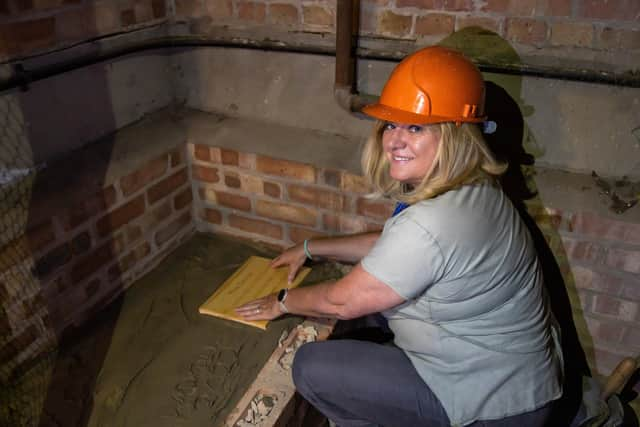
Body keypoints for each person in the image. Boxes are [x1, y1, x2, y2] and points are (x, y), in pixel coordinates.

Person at [236, 46, 563, 427]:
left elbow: (343, 303)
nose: (393, 141)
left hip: (493, 406)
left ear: (456, 134)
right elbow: (395, 250)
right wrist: (310, 248)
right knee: (375, 312)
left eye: (416, 127)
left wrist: (283, 300)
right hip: (519, 377)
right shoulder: (476, 188)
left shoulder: (434, 222)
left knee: (312, 365)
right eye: (392, 125)